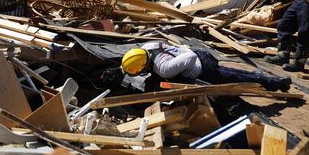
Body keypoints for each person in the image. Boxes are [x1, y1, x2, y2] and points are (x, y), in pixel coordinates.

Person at [121, 42, 292, 92]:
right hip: (198, 56)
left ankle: (273, 82)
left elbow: (190, 57)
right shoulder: (147, 46)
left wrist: (193, 75)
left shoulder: (163, 68)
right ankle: (261, 76)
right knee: (232, 73)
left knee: (235, 78)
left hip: (202, 64)